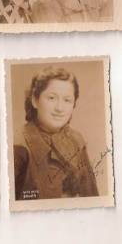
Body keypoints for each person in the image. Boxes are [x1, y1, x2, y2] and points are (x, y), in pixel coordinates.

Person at [14, 66, 99, 200]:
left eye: (67, 100)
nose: (59, 108)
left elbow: (92, 197)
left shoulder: (77, 140)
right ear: (35, 100)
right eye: (52, 98)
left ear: (73, 105)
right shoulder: (19, 145)